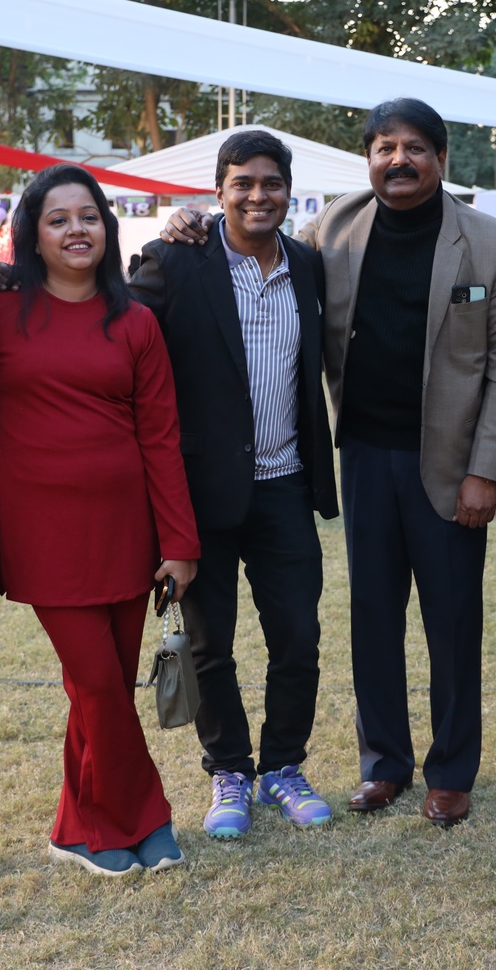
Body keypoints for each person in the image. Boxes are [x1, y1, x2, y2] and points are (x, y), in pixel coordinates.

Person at [162, 98, 496, 827]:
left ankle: (451, 770)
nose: (399, 160)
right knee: (373, 620)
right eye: (384, 147)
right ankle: (384, 763)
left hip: (452, 465)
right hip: (361, 457)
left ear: (441, 158)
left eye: (415, 147)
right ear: (368, 160)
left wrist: (487, 470)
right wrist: (190, 224)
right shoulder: (333, 230)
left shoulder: (495, 245)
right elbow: (248, 237)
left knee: (453, 621)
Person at [0, 163, 197, 875]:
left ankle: (77, 827)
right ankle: (145, 817)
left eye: (89, 216)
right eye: (58, 219)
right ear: (32, 235)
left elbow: (161, 436)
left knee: (99, 690)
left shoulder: (135, 321)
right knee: (99, 685)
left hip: (127, 531)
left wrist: (179, 542)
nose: (77, 229)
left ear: (106, 226)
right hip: (42, 532)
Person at [130, 131, 339, 841]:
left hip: (286, 485)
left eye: (271, 183)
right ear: (218, 191)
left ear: (289, 191)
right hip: (199, 493)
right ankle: (228, 771)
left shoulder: (307, 265)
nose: (258, 195)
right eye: (242, 183)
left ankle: (283, 766)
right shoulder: (173, 261)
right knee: (208, 645)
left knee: (298, 637)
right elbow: (115, 329)